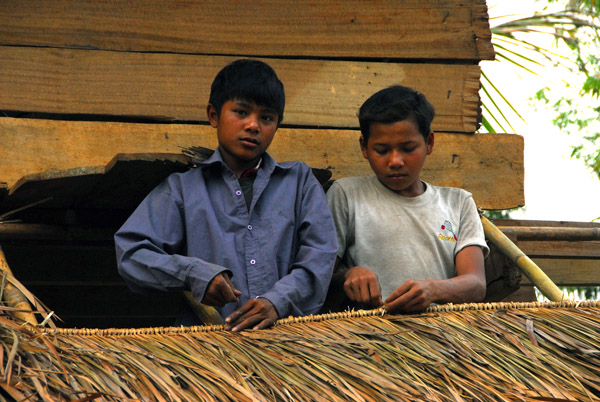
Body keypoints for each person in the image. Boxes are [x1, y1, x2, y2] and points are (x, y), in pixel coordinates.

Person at [115, 59, 337, 331]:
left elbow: (320, 257)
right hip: (205, 349)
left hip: (289, 345)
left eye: (266, 117)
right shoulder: (182, 190)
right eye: (241, 112)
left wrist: (277, 301)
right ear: (213, 115)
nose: (253, 125)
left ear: (277, 125)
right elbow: (131, 253)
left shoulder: (299, 183)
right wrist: (195, 275)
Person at [325, 84, 488, 314]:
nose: (395, 161)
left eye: (408, 148)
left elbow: (476, 284)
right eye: (381, 150)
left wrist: (432, 290)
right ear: (364, 147)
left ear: (429, 143)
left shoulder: (458, 203)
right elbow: (319, 274)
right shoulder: (346, 195)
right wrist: (349, 275)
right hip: (369, 338)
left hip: (443, 338)